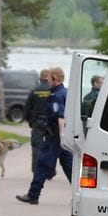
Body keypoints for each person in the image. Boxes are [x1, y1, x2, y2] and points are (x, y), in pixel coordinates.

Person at [17, 67, 72, 204]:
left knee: (42, 164)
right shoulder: (67, 92)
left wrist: (61, 136)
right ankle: (82, 197)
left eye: (49, 78)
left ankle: (33, 195)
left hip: (55, 137)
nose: (47, 81)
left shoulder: (56, 95)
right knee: (70, 167)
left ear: (54, 78)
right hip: (63, 137)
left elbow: (60, 117)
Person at [24, 68, 51, 176]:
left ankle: (36, 170)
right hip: (51, 123)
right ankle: (50, 171)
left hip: (37, 122)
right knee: (50, 147)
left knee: (36, 147)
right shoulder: (53, 90)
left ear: (40, 78)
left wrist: (30, 121)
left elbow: (27, 108)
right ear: (49, 78)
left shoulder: (34, 91)